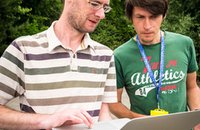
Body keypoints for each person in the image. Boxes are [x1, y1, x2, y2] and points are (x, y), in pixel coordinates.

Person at [0, 0, 117, 129]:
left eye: (105, 7)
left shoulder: (106, 55)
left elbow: (103, 115)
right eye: (94, 4)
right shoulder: (24, 49)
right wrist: (46, 120)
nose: (101, 15)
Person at [109, 0, 200, 129]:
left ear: (163, 16)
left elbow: (191, 87)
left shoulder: (184, 44)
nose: (147, 25)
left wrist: (196, 115)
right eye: (140, 17)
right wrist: (140, 120)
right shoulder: (119, 55)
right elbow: (114, 103)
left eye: (154, 17)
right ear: (131, 18)